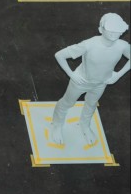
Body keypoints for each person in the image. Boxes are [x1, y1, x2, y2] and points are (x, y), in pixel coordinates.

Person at [49, 13, 130, 146]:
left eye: (117, 30)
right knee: (67, 103)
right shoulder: (89, 44)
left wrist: (118, 75)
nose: (114, 33)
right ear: (100, 30)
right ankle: (57, 125)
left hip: (101, 83)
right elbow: (60, 55)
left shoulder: (122, 46)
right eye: (110, 29)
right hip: (81, 82)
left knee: (91, 104)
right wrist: (72, 74)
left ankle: (84, 125)